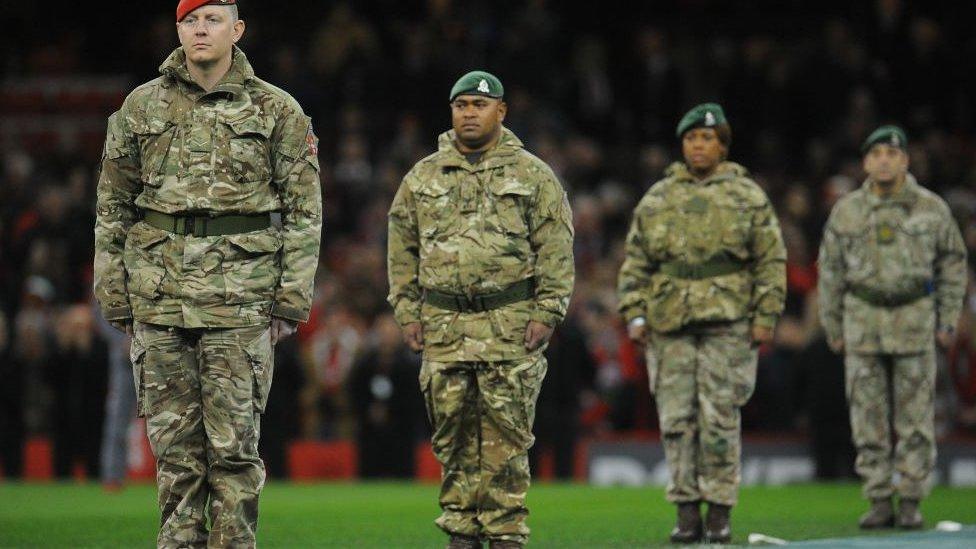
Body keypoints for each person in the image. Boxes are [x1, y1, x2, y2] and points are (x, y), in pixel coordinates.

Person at [93, 0, 322, 546]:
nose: (201, 28)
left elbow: (305, 211)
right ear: (178, 29)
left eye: (213, 18)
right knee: (174, 455)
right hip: (159, 300)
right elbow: (112, 206)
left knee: (235, 451)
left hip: (240, 303)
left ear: (237, 30)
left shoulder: (276, 111)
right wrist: (114, 294)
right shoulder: (139, 107)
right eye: (191, 20)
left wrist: (290, 300)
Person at [387, 71, 574, 549]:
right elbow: (401, 248)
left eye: (479, 104)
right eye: (461, 104)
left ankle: (507, 534)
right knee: (450, 438)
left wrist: (547, 311)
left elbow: (556, 248)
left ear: (501, 112)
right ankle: (462, 533)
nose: (469, 112)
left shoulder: (532, 174)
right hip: (443, 327)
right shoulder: (423, 176)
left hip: (509, 324)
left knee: (507, 439)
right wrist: (408, 313)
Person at [617, 103, 786, 544]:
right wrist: (634, 313)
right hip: (669, 322)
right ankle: (686, 509)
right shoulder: (658, 198)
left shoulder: (748, 196)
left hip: (728, 321)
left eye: (707, 138)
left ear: (723, 146)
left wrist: (766, 315)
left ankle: (721, 511)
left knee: (720, 417)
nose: (698, 145)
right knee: (676, 419)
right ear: (682, 144)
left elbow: (771, 261)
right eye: (692, 138)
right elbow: (635, 263)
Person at [817, 125, 966, 530]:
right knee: (867, 416)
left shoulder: (931, 208)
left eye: (892, 154)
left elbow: (953, 263)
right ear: (865, 162)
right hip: (863, 320)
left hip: (914, 319)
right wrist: (831, 323)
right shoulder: (847, 210)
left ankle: (913, 497)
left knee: (915, 417)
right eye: (876, 153)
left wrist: (948, 318)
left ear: (905, 161)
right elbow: (829, 271)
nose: (884, 160)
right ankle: (880, 497)